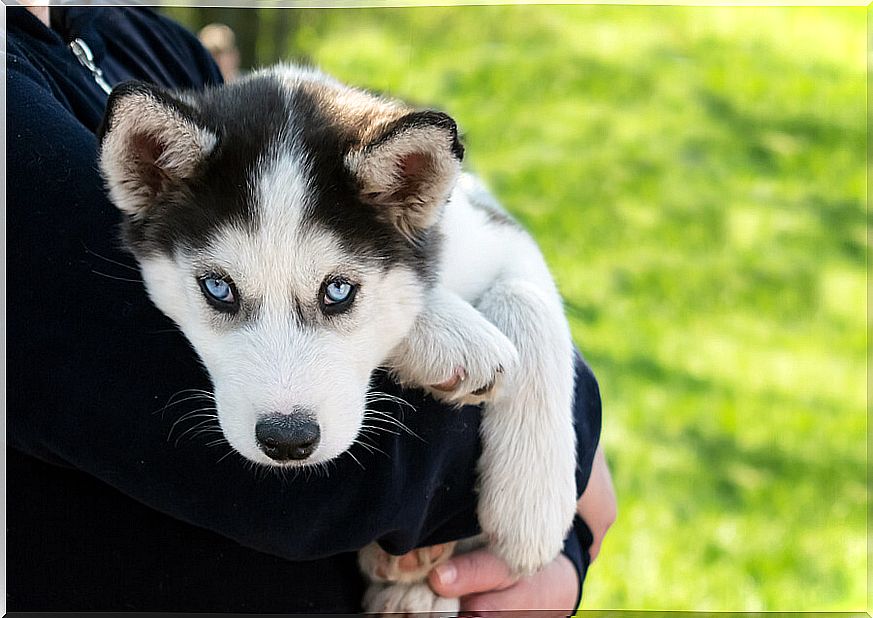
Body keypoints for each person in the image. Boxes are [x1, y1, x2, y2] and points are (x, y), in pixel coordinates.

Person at [7, 4, 615, 612]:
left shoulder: (138, 37)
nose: (284, 408)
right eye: (220, 291)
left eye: (337, 294)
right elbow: (315, 495)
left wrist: (543, 393)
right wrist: (575, 432)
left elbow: (493, 249)